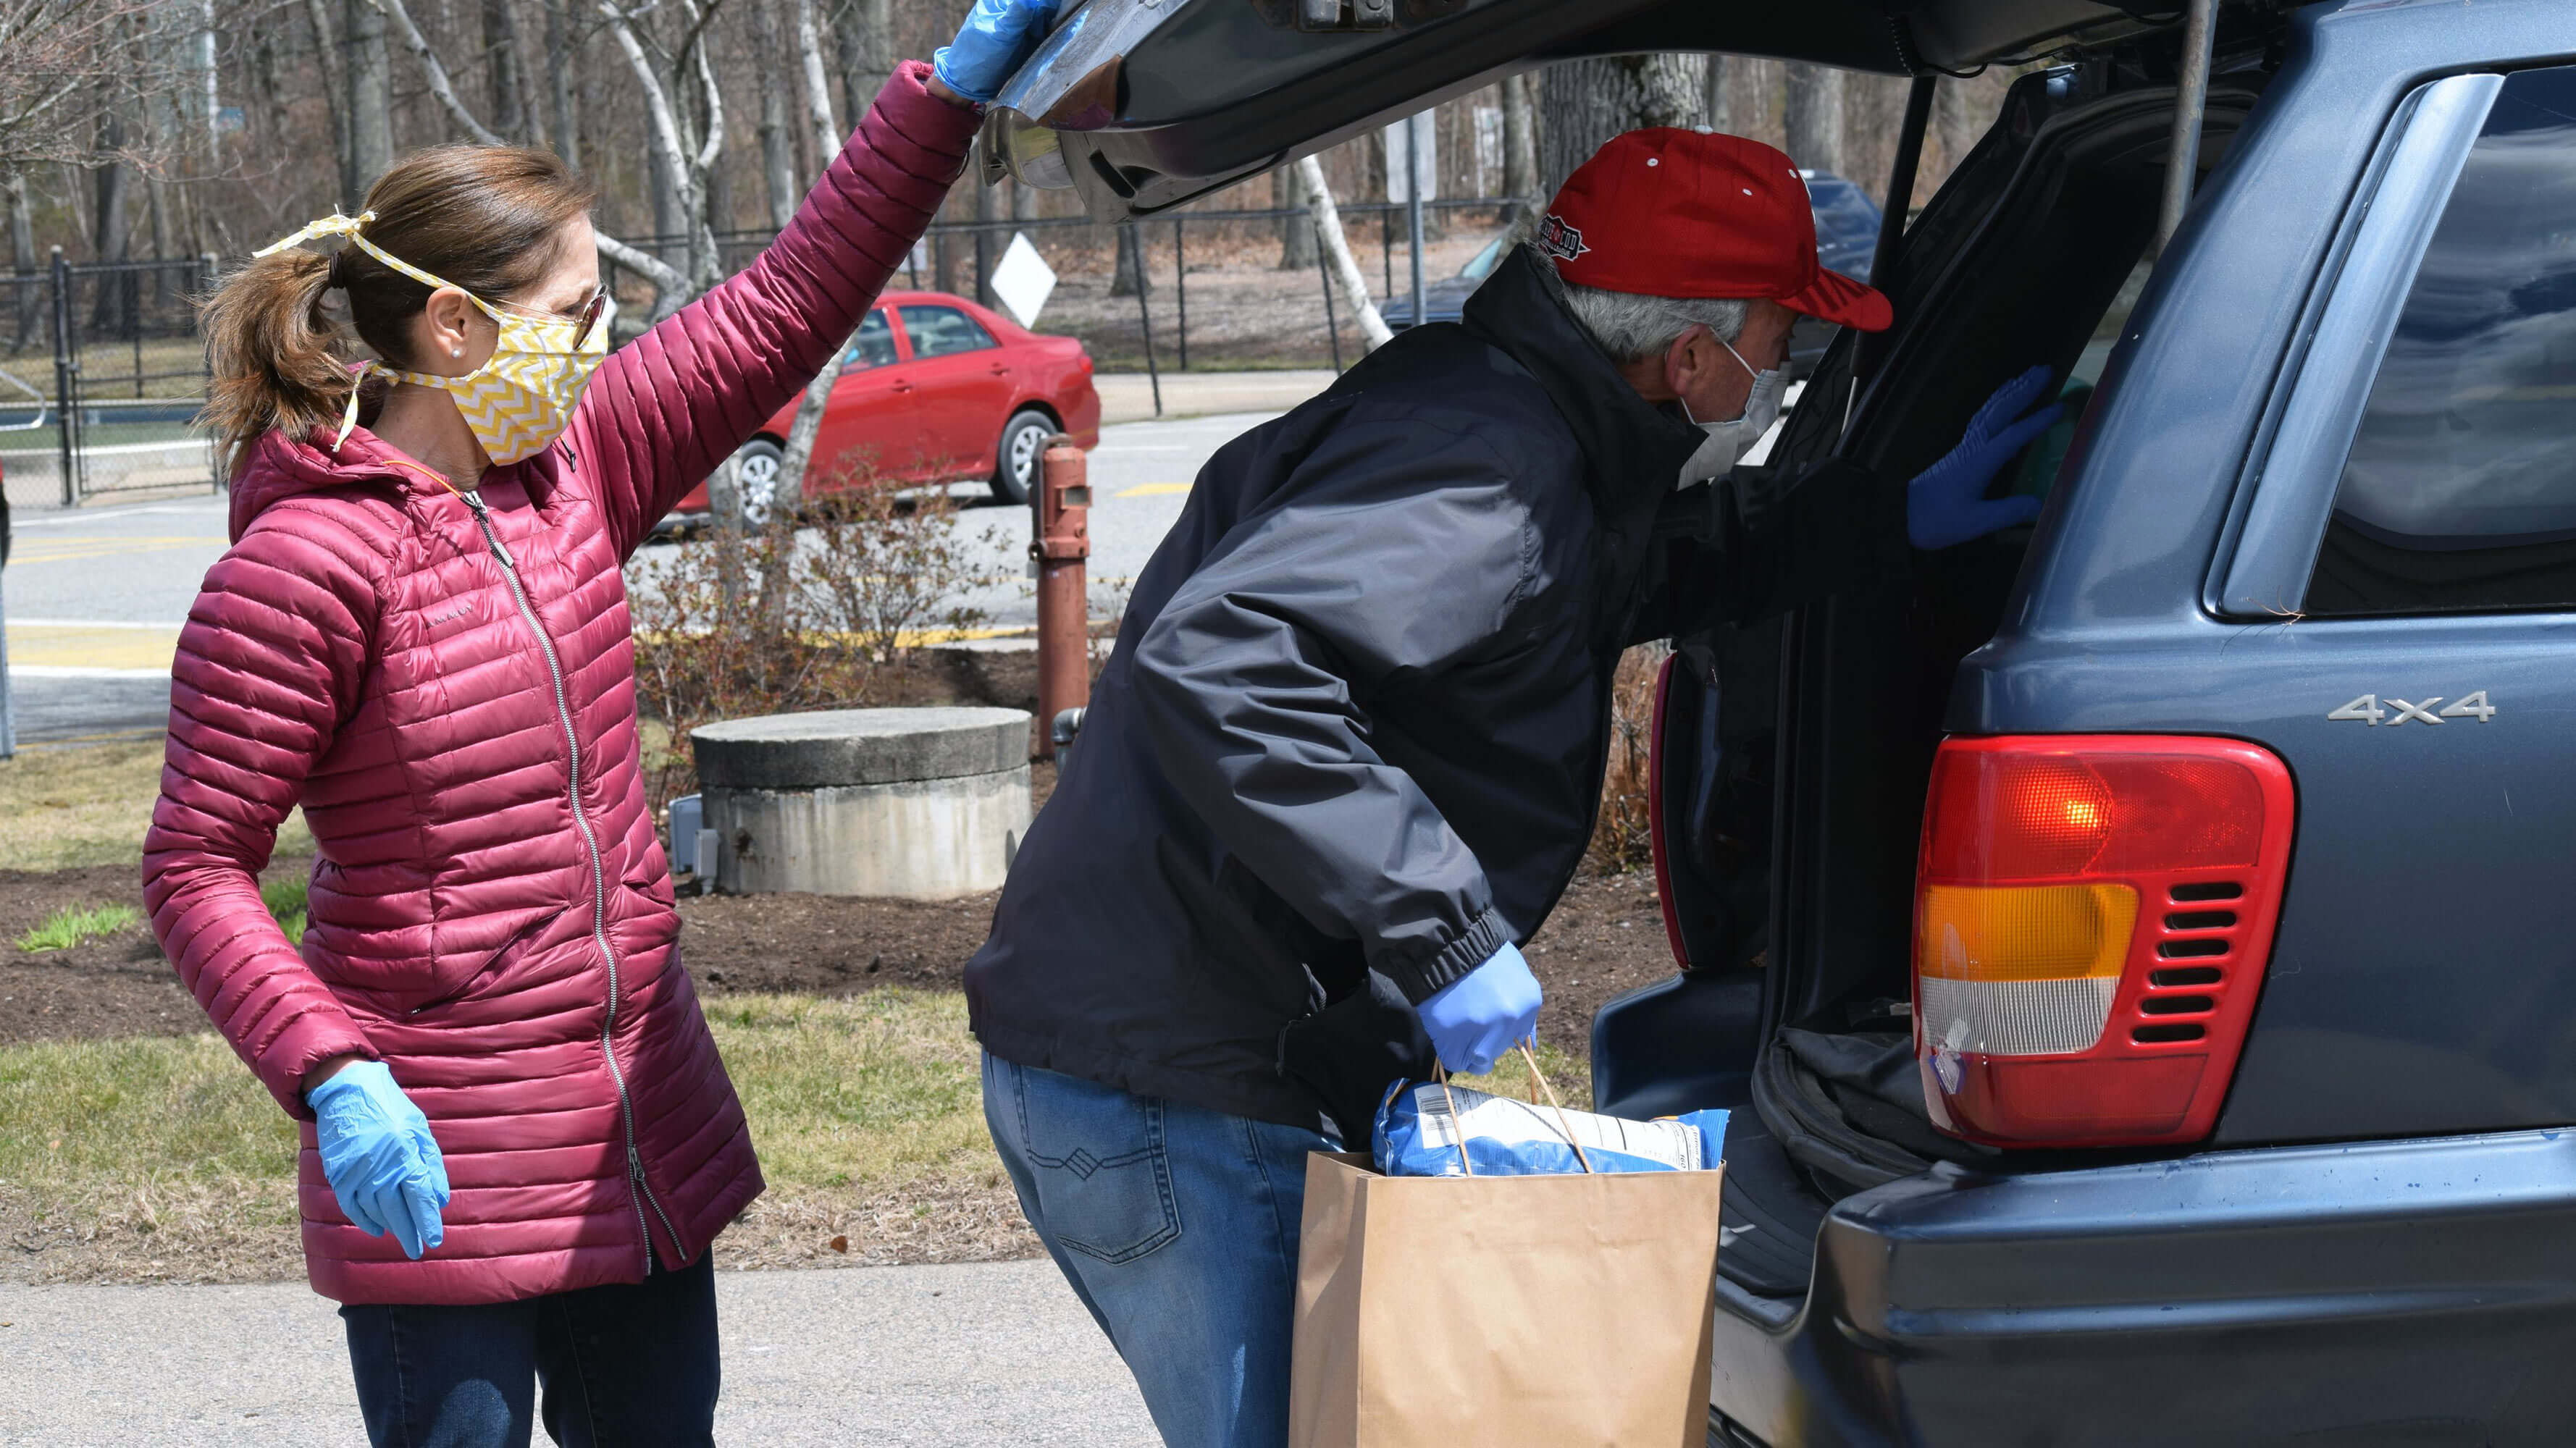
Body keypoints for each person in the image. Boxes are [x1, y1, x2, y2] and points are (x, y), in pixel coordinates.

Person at [963, 127, 2062, 1445]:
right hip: (1180, 1084)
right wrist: (1443, 930)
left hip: (1164, 1044)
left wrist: (1877, 520)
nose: (1784, 368)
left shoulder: (1512, 419)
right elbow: (1227, 657)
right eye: (1781, 335)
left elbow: (1597, 578)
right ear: (1691, 356)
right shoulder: (1489, 470)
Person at [135, 4, 1047, 1435]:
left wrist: (937, 104)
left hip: (636, 1136)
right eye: (569, 315)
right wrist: (331, 1075)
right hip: (440, 1157)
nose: (594, 344)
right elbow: (192, 864)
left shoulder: (574, 467)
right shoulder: (303, 569)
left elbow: (784, 307)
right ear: (454, 323)